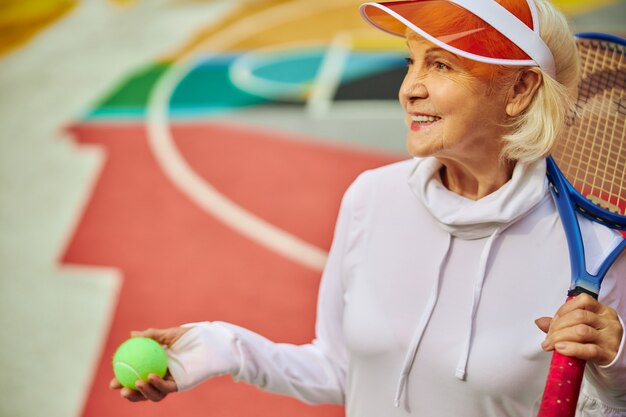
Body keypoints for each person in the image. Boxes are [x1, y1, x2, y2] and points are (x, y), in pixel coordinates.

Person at [111, 0, 626, 415]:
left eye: (441, 64)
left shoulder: (596, 251)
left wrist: (616, 366)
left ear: (519, 89)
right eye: (412, 61)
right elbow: (340, 369)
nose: (409, 89)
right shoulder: (370, 197)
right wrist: (222, 346)